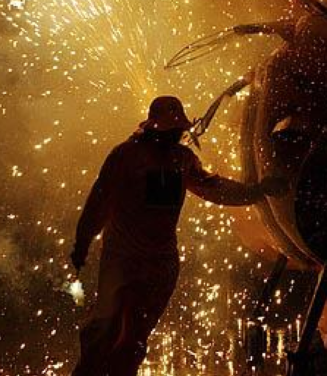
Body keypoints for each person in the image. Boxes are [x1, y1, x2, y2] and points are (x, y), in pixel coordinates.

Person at [69, 96, 287, 376]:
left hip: (159, 264)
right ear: (153, 129)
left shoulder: (182, 159)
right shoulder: (125, 156)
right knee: (103, 334)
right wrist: (82, 242)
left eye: (176, 132)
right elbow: (99, 201)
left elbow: (214, 188)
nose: (174, 137)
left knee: (133, 341)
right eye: (170, 132)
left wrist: (257, 190)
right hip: (122, 260)